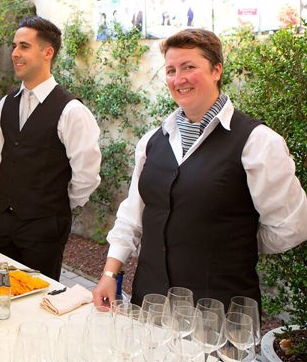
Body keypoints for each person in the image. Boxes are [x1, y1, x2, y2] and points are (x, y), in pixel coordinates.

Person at [92, 28, 307, 309]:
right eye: (171, 70)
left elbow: (291, 226)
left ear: (216, 70)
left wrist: (232, 240)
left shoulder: (259, 143)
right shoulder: (151, 141)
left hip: (219, 311)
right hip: (150, 301)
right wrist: (110, 273)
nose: (178, 78)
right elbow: (133, 216)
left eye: (188, 67)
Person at [0, 16, 101, 281]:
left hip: (43, 231)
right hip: (3, 225)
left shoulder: (72, 111)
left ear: (47, 52)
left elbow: (86, 177)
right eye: (14, 46)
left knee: (38, 298)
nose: (15, 53)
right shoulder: (6, 103)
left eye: (24, 46)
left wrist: (53, 206)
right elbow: (4, 154)